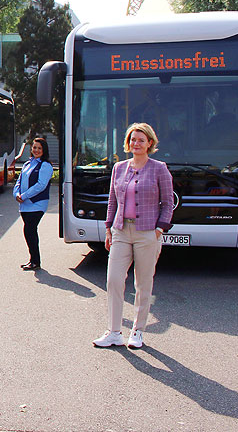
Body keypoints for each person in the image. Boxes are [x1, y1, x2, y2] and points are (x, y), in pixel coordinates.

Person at [93, 122, 173, 350]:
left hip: (147, 233)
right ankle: (114, 331)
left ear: (150, 143)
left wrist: (159, 230)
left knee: (143, 283)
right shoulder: (119, 168)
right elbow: (112, 201)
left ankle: (137, 330)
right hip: (120, 231)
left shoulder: (159, 168)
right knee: (114, 280)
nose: (136, 143)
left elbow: (168, 204)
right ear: (127, 143)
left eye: (141, 140)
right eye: (132, 139)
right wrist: (108, 228)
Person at [13, 137, 53, 271]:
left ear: (44, 150)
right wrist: (16, 194)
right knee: (29, 231)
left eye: (39, 148)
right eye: (34, 147)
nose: (36, 150)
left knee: (30, 229)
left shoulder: (45, 165)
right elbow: (19, 180)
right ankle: (33, 260)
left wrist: (24, 196)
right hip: (24, 204)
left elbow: (41, 185)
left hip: (37, 203)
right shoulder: (27, 164)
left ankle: (35, 261)